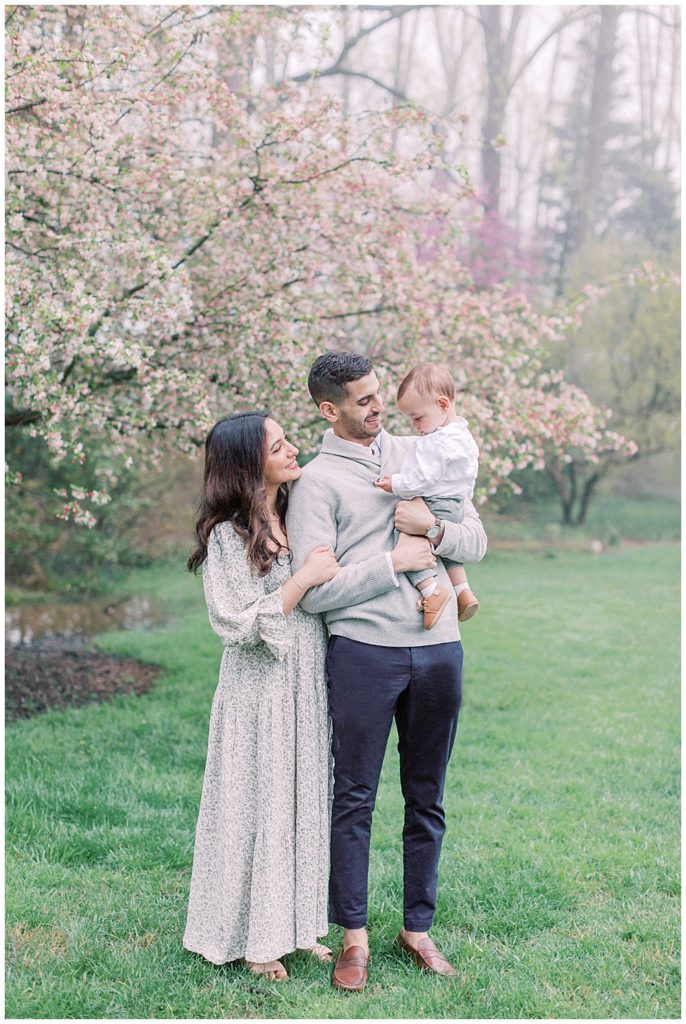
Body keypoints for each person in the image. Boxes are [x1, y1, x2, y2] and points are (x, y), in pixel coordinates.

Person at [286, 351, 487, 992]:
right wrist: (397, 561)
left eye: (379, 394)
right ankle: (353, 938)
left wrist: (436, 528)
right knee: (355, 798)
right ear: (329, 409)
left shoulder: (421, 451)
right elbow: (314, 592)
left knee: (427, 796)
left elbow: (476, 540)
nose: (377, 407)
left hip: (439, 650)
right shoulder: (315, 484)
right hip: (365, 654)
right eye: (364, 399)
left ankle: (417, 928)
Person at [183, 411, 339, 982]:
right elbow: (233, 623)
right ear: (250, 463)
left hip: (305, 679)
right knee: (260, 804)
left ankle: (299, 927)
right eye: (279, 446)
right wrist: (301, 579)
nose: (293, 449)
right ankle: (255, 939)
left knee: (303, 799)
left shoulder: (299, 510)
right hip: (258, 688)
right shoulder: (227, 535)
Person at [374, 362, 480, 630]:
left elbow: (421, 479)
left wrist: (394, 484)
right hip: (456, 503)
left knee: (406, 539)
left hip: (435, 503)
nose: (415, 425)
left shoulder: (437, 443)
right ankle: (463, 590)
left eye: (418, 418)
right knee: (447, 551)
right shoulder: (463, 436)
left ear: (443, 405)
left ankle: (431, 589)